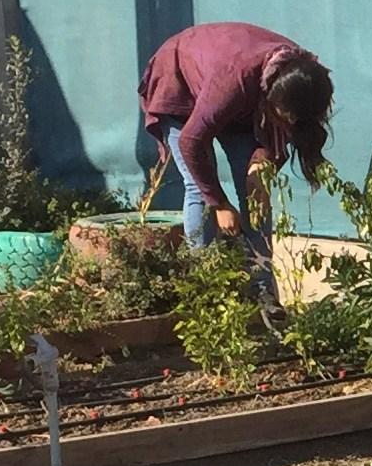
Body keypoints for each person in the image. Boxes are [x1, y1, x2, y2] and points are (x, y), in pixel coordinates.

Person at [137, 23, 332, 296]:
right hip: (180, 79)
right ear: (271, 98)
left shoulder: (300, 78)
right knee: (198, 189)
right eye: (284, 116)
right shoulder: (235, 81)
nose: (289, 124)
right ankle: (204, 291)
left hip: (234, 96)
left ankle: (262, 291)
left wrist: (261, 163)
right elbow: (190, 141)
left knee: (255, 192)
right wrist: (219, 204)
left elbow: (285, 129)